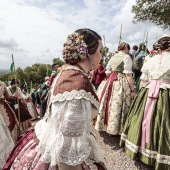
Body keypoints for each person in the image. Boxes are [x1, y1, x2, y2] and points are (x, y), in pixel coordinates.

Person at [3, 28, 107, 170]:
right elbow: (67, 152)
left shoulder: (66, 72)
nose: (101, 56)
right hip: (59, 154)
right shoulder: (77, 84)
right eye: (100, 50)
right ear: (88, 53)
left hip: (48, 137)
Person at [120, 34, 170, 170]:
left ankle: (139, 149)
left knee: (143, 119)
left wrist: (139, 98)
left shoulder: (150, 61)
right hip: (165, 93)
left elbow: (143, 80)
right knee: (163, 122)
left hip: (147, 92)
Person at [95, 42, 135, 135]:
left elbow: (108, 72)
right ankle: (117, 129)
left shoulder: (112, 57)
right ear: (126, 49)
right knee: (118, 104)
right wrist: (132, 90)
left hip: (109, 81)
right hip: (120, 81)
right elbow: (128, 74)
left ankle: (107, 126)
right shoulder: (126, 57)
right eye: (128, 50)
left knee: (109, 103)